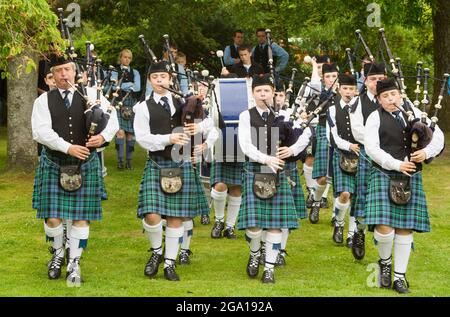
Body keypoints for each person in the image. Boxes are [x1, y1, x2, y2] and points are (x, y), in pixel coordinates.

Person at [31, 55, 119, 286]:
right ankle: (58, 254)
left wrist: (103, 137)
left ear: (74, 71)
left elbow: (112, 120)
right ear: (52, 75)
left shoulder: (90, 94)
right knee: (52, 219)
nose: (63, 75)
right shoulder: (43, 101)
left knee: (81, 218)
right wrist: (68, 147)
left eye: (67, 70)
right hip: (54, 162)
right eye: (58, 71)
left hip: (85, 164)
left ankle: (75, 262)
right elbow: (40, 132)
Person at [364, 78, 444, 293]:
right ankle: (385, 262)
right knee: (384, 227)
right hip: (385, 174)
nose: (390, 99)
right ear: (379, 100)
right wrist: (396, 164)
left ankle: (399, 276)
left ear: (400, 94)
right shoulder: (374, 117)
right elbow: (371, 148)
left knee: (404, 228)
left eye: (393, 95)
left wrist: (426, 152)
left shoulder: (415, 112)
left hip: (411, 177)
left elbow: (439, 137)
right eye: (385, 97)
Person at [134, 61, 210, 281]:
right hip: (157, 163)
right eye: (155, 77)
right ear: (150, 81)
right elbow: (143, 139)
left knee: (176, 217)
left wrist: (199, 127)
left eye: (163, 77)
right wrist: (169, 138)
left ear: (170, 79)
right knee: (152, 215)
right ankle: (157, 251)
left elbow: (210, 124)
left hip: (181, 163)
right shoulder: (143, 107)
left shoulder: (185, 103)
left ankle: (169, 263)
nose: (160, 81)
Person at [237, 74, 311, 283]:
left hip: (278, 172)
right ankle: (254, 254)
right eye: (259, 91)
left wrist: (292, 149)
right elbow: (245, 144)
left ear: (273, 93)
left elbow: (306, 133)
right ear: (253, 93)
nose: (263, 94)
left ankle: (269, 267)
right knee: (253, 226)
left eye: (267, 91)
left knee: (275, 224)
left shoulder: (285, 114)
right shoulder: (246, 116)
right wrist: (266, 158)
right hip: (255, 169)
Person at [348, 62, 386, 260]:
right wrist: (382, 142)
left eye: (380, 79)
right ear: (365, 81)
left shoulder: (394, 99)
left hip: (391, 158)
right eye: (373, 79)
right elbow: (357, 131)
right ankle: (359, 231)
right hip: (367, 155)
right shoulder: (357, 102)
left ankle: (388, 237)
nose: (377, 83)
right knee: (362, 197)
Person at [326, 74, 360, 245]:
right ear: (339, 89)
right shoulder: (332, 109)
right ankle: (339, 223)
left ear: (356, 90)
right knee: (345, 194)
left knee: (357, 198)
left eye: (351, 89)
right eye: (345, 88)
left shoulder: (361, 109)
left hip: (361, 156)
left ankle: (352, 234)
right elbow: (331, 137)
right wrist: (349, 146)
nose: (348, 92)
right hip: (342, 155)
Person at [309, 63, 339, 224]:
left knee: (338, 177)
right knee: (322, 177)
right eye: (328, 76)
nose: (331, 79)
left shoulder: (346, 93)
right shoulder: (321, 94)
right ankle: (315, 202)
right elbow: (319, 108)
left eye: (334, 76)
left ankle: (336, 214)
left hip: (341, 135)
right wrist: (330, 94)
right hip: (322, 131)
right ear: (323, 79)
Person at [111, 49, 141, 170]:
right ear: (120, 58)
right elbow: (114, 86)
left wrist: (122, 85)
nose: (127, 60)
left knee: (130, 134)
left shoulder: (136, 72)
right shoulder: (114, 71)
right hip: (119, 103)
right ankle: (120, 161)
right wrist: (130, 85)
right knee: (120, 132)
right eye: (125, 57)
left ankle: (129, 162)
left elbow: (138, 87)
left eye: (129, 58)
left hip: (131, 104)